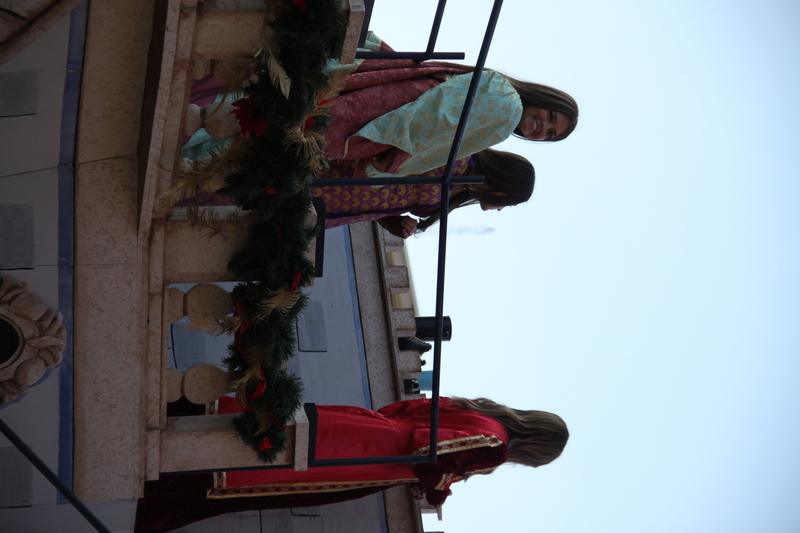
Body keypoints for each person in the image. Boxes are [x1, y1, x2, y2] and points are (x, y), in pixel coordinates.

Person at [134, 396, 568, 532]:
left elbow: (412, 408)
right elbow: (430, 456)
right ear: (534, 453)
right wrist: (438, 492)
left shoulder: (485, 413)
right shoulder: (495, 445)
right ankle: (152, 491)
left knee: (276, 427)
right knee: (271, 472)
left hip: (368, 428)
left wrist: (378, 422)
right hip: (367, 460)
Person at [320, 32, 579, 178]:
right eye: (550, 116)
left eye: (549, 134)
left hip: (395, 106)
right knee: (316, 123)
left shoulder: (501, 103)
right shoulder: (508, 108)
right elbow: (436, 127)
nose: (543, 127)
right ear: (543, 99)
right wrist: (389, 166)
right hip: (394, 111)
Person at [177, 148, 535, 239]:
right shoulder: (458, 158)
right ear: (503, 189)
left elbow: (392, 196)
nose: (499, 210)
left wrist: (391, 220)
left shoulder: (457, 183)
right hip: (335, 178)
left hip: (334, 202)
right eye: (507, 203)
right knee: (246, 187)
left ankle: (179, 195)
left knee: (245, 197)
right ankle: (178, 188)